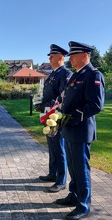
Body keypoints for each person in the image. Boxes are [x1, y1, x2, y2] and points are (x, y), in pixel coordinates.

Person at [55, 41, 105, 220]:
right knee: (73, 167)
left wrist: (72, 117)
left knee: (81, 168)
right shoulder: (76, 75)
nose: (70, 60)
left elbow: (96, 105)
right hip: (69, 130)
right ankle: (74, 196)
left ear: (85, 55)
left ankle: (83, 205)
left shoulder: (93, 74)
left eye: (73, 56)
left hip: (81, 130)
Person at [36, 44, 72, 193]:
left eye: (52, 56)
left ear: (61, 57)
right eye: (49, 56)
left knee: (59, 147)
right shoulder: (52, 74)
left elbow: (62, 95)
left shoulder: (65, 74)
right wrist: (40, 103)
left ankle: (61, 180)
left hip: (56, 115)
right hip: (48, 113)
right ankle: (53, 174)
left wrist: (47, 104)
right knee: (51, 145)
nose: (49, 58)